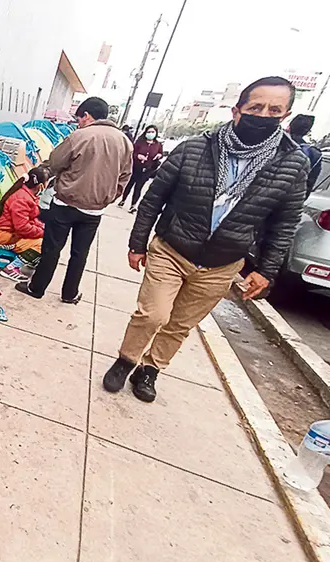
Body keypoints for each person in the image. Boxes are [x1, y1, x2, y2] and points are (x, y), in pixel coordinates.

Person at [103, 76, 310, 403]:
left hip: (221, 264)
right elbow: (154, 198)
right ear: (237, 111)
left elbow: (285, 223)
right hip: (173, 249)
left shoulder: (293, 162)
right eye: (256, 107)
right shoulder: (195, 148)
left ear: (284, 116)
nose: (264, 115)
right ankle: (126, 359)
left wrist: (266, 271)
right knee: (153, 314)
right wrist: (137, 243)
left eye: (274, 110)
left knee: (180, 324)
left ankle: (150, 369)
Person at [15, 97, 133, 304]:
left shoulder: (80, 136)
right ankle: (69, 294)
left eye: (79, 118)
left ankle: (37, 288)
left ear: (86, 115)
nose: (78, 122)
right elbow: (125, 175)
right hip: (95, 210)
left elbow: (56, 162)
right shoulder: (124, 141)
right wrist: (109, 196)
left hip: (65, 204)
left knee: (52, 249)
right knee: (80, 254)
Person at [0, 166, 51, 254]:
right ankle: (13, 265)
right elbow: (22, 227)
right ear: (41, 185)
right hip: (4, 236)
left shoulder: (29, 196)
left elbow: (31, 219)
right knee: (44, 245)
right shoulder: (22, 200)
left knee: (47, 238)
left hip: (13, 233)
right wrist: (42, 232)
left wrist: (42, 228)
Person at [117, 125, 164, 213]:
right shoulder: (140, 142)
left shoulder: (158, 145)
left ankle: (133, 205)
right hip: (136, 167)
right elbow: (132, 152)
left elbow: (160, 153)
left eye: (152, 132)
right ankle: (123, 199)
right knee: (129, 184)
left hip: (148, 169)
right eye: (149, 132)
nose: (151, 134)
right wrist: (138, 156)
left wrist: (159, 155)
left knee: (139, 187)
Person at [288, 114, 323, 195]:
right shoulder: (313, 154)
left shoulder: (274, 142)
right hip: (291, 198)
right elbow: (309, 184)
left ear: (289, 126)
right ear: (307, 131)